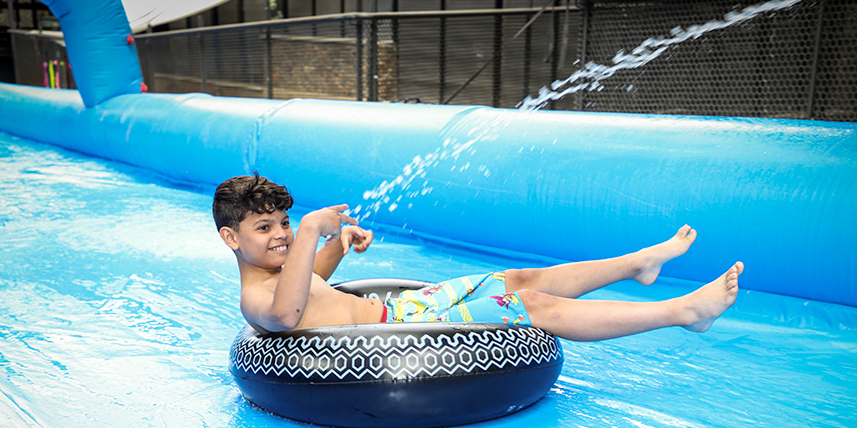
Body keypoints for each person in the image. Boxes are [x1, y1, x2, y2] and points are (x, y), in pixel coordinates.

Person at [213, 173, 743, 340]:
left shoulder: (282, 272)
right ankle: (682, 313)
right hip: (398, 335)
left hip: (402, 311)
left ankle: (638, 265)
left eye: (284, 222)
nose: (280, 235)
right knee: (532, 305)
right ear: (231, 238)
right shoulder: (256, 297)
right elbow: (287, 314)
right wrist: (309, 231)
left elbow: (309, 290)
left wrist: (334, 246)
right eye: (265, 228)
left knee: (517, 276)